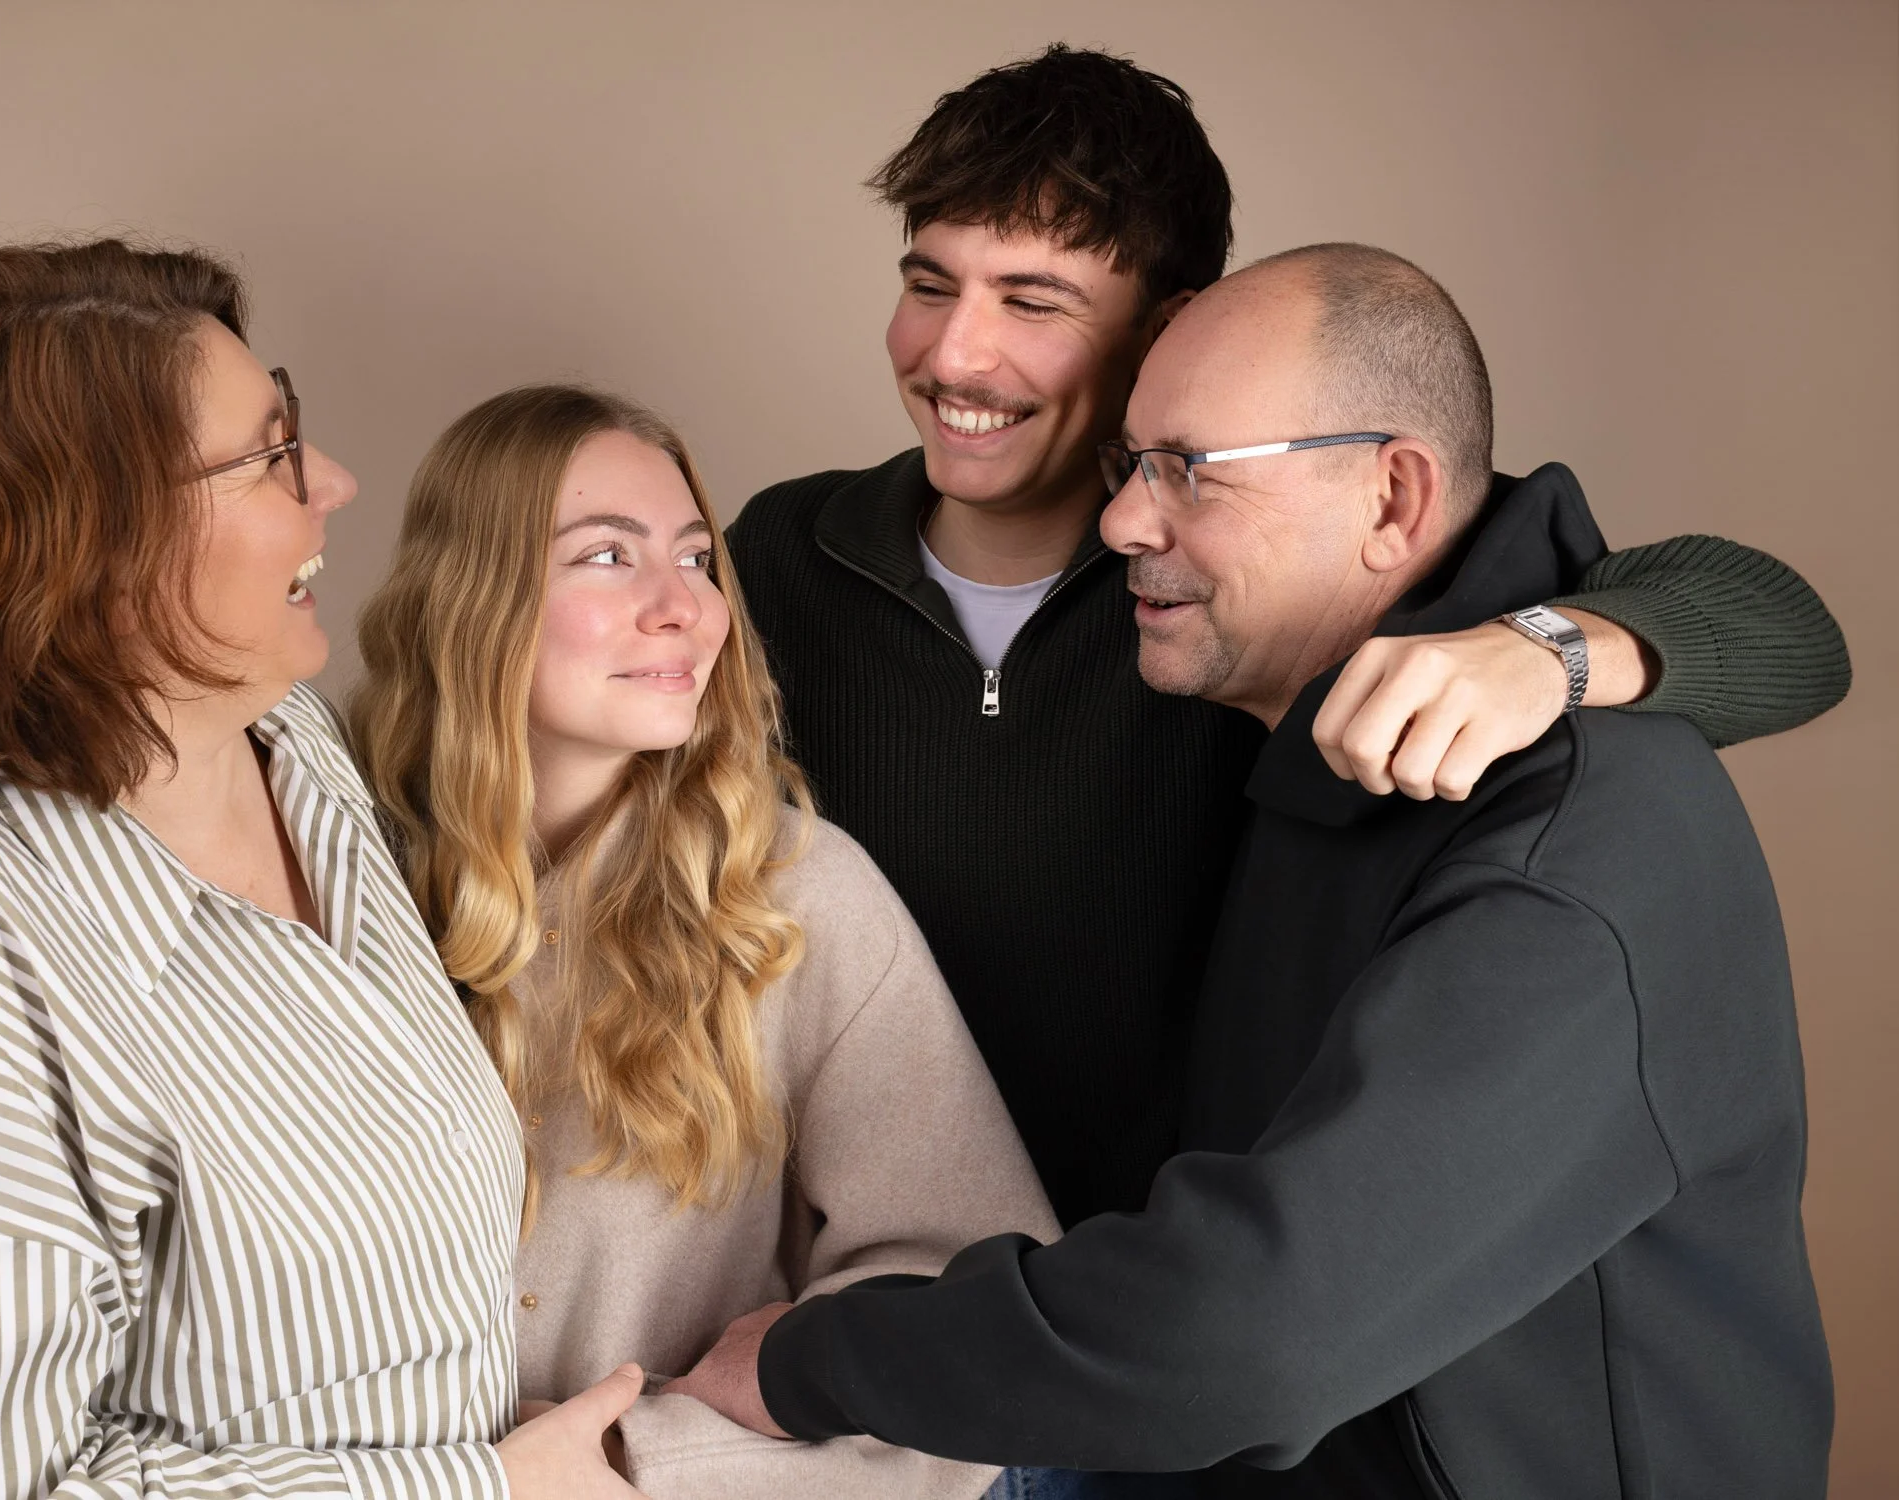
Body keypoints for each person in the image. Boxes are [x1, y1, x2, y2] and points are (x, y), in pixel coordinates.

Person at [670, 244, 1833, 1497]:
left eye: (1187, 471)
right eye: (1130, 462)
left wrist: (809, 1359)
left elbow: (1247, 1338)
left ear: (1392, 499)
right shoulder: (1263, 711)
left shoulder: (1573, 847)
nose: (1120, 522)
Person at [723, 45, 1852, 1239]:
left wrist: (1547, 649)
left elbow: (1782, 626)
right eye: (932, 284)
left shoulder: (1259, 581)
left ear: (1171, 331)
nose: (954, 355)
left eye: (1033, 302)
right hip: (865, 1286)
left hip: (1165, 1311)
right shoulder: (783, 553)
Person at [0, 240, 640, 1499]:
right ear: (84, 545)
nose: (336, 482)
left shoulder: (288, 747)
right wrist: (487, 1492)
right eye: (270, 456)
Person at [346, 384, 1059, 1500]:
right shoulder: (315, 871)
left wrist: (645, 1462)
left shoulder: (796, 895)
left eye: (696, 556)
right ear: (472, 594)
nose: (686, 607)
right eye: (607, 557)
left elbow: (968, 1301)